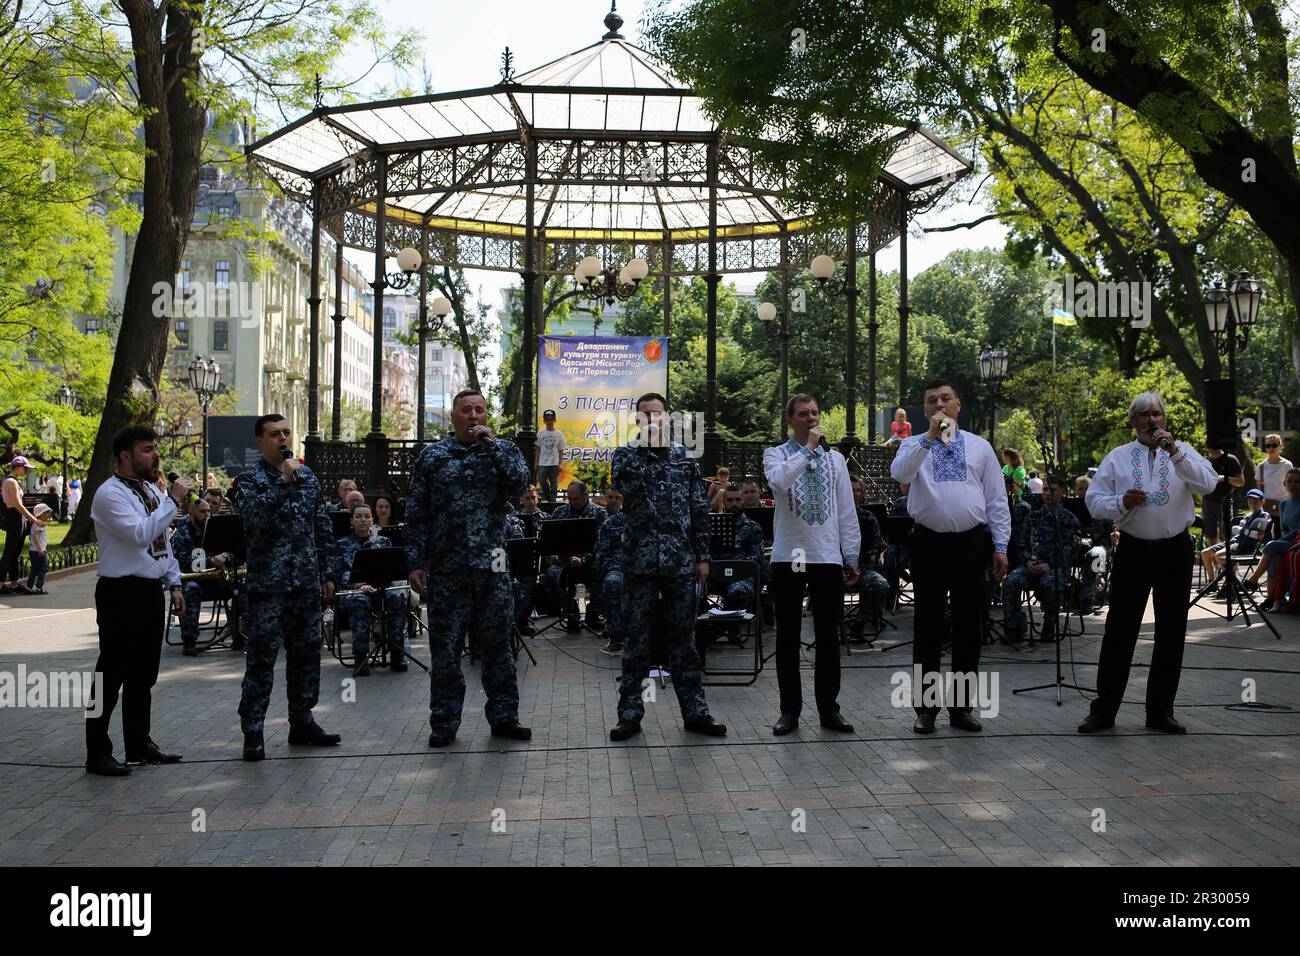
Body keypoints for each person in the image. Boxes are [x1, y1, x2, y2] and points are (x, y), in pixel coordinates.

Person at [1080, 391, 1218, 735]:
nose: (1151, 421)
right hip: (1134, 549)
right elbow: (1094, 502)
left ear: (1165, 419)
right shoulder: (1119, 457)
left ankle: (1160, 711)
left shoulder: (1182, 453)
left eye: (1157, 414)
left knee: (1171, 631)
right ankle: (1104, 710)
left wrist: (1175, 452)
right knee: (1120, 630)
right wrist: (1122, 502)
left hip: (1174, 549)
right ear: (1133, 421)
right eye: (1143, 415)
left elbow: (1209, 483)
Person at [407, 389, 532, 747]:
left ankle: (505, 716)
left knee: (497, 648)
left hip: (492, 570)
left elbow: (520, 485)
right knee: (446, 652)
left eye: (480, 410)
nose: (474, 416)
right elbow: (417, 514)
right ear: (454, 417)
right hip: (448, 572)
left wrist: (491, 448)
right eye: (467, 411)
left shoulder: (502, 450)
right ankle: (445, 722)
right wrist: (416, 562)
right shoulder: (433, 456)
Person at [891, 379, 1010, 735]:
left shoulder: (979, 446)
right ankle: (925, 710)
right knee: (926, 625)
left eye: (946, 399)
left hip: (970, 543)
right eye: (932, 401)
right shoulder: (912, 443)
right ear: (925, 410)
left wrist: (1001, 546)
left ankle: (961, 709)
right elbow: (900, 474)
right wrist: (928, 438)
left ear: (958, 404)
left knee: (968, 625)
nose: (940, 405)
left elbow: (996, 499)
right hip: (927, 544)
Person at [608, 391, 726, 741]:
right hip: (639, 563)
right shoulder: (625, 455)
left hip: (678, 562)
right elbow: (623, 486)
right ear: (637, 421)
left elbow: (698, 510)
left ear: (667, 417)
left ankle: (695, 712)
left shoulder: (685, 459)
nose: (651, 421)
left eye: (657, 415)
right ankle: (630, 715)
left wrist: (702, 556)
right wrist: (645, 450)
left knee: (684, 642)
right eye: (644, 416)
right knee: (637, 643)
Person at [233, 414, 342, 761]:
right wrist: (282, 481)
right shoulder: (247, 481)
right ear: (259, 442)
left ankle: (302, 721)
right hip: (269, 587)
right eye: (274, 434)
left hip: (305, 585)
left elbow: (321, 526)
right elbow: (254, 519)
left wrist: (328, 571)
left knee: (307, 656)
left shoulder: (307, 477)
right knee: (262, 661)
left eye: (286, 432)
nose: (282, 439)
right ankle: (253, 730)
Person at [85, 426, 191, 776]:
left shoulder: (149, 489)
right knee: (111, 672)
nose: (155, 455)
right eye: (147, 450)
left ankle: (139, 743)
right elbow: (139, 534)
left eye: (155, 448)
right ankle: (97, 750)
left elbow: (161, 541)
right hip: (120, 591)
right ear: (126, 455)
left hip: (148, 591)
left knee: (143, 674)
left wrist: (174, 581)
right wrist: (173, 502)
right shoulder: (108, 494)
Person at [764, 394, 860, 736]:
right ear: (790, 421)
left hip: (826, 557)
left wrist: (851, 554)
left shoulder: (835, 460)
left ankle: (828, 709)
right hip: (791, 555)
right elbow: (779, 482)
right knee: (787, 635)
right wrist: (806, 451)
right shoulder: (776, 454)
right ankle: (789, 711)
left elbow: (846, 511)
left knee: (828, 636)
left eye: (815, 413)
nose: (811, 418)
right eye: (803, 414)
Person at [1002, 474, 1079, 644]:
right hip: (1032, 566)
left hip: (1056, 568)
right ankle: (1013, 629)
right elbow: (1021, 545)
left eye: (1053, 490)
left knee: (1049, 583)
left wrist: (1050, 565)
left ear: (1063, 492)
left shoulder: (1069, 519)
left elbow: (1072, 550)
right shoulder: (1033, 517)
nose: (1048, 494)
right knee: (1011, 582)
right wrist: (1027, 561)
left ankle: (1049, 629)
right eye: (1045, 489)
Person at [333, 504, 408, 676]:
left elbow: (393, 568)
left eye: (367, 516)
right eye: (358, 516)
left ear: (372, 520)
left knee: (397, 597)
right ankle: (361, 655)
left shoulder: (383, 541)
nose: (363, 520)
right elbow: (338, 573)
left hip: (381, 588)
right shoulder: (342, 545)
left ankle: (397, 651)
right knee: (360, 601)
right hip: (353, 591)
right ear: (352, 521)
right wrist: (357, 584)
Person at [170, 497, 248, 656]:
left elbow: (235, 552)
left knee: (242, 587)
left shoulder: (215, 528)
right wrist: (211, 560)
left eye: (208, 511)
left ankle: (241, 634)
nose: (207, 514)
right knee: (191, 589)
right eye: (202, 511)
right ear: (191, 513)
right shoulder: (182, 533)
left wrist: (225, 556)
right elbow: (184, 562)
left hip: (214, 579)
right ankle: (189, 640)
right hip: (191, 579)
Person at [543, 478, 606, 631]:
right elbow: (548, 540)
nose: (572, 502)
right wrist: (552, 554)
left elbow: (602, 545)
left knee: (604, 576)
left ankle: (593, 613)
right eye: (569, 499)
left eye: (575, 499)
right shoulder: (560, 512)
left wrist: (584, 559)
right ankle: (571, 613)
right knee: (553, 574)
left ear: (586, 495)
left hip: (590, 562)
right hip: (564, 562)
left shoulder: (599, 513)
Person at [1243, 468, 1300, 608]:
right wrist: (1280, 542)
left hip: (1298, 542)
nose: (1293, 484)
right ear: (1284, 483)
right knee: (1274, 557)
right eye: (1290, 481)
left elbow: (1298, 530)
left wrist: (1279, 542)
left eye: (1297, 481)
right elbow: (1284, 529)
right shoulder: (1284, 504)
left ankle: (1253, 580)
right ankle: (1273, 600)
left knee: (1271, 546)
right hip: (1287, 542)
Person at [1201, 489, 1271, 590]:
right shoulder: (1248, 516)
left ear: (1262, 502)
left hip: (1246, 546)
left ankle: (1231, 581)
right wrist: (1240, 530)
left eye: (1256, 502)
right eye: (1250, 502)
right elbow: (1238, 530)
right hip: (1235, 542)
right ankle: (1212, 583)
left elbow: (1261, 535)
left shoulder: (1264, 516)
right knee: (1205, 553)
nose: (1252, 505)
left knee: (1219, 555)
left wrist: (1246, 532)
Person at [848, 477, 891, 642]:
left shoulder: (868, 517)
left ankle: (860, 623)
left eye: (858, 490)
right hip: (833, 568)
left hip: (862, 567)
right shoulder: (830, 517)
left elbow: (879, 544)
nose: (855, 494)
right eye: (851, 490)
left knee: (880, 584)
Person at [591, 487, 626, 655]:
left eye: (617, 497)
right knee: (611, 582)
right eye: (610, 497)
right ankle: (616, 638)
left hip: (645, 569)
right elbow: (602, 554)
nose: (613, 500)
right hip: (617, 569)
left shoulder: (646, 520)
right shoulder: (611, 523)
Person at [2, 456, 44, 595]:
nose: (26, 471)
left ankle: (14, 584)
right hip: (14, 519)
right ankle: (1, 584)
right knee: (9, 553)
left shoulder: (14, 481)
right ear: (17, 467)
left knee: (15, 554)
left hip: (18, 519)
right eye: (24, 468)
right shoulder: (10, 482)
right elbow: (17, 505)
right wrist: (33, 519)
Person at [1200, 445, 1244, 556]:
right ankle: (1215, 564)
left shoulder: (1230, 459)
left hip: (1224, 501)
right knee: (1210, 534)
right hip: (1207, 501)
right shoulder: (1205, 461)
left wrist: (1224, 478)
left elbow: (1241, 481)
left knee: (1227, 533)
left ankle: (1232, 564)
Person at [1255, 435, 1292, 524]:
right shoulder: (1261, 466)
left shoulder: (1287, 465)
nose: (1271, 448)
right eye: (1268, 446)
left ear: (1280, 446)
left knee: (1282, 533)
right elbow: (1259, 489)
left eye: (1274, 445)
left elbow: (1292, 485)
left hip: (1284, 504)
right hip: (1267, 506)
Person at [535, 409, 566, 503]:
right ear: (544, 420)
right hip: (542, 463)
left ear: (555, 420)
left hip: (554, 463)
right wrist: (536, 462)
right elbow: (538, 449)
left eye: (551, 419)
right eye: (547, 419)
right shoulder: (540, 433)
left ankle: (552, 502)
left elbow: (561, 450)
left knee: (554, 484)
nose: (549, 421)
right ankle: (550, 498)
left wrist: (560, 463)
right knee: (541, 480)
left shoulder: (559, 434)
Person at [25, 502, 52, 594]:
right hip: (38, 551)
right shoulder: (38, 525)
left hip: (33, 551)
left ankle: (29, 586)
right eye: (47, 513)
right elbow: (36, 537)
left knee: (34, 569)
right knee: (43, 568)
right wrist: (40, 549)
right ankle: (39, 587)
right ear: (40, 514)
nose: (49, 515)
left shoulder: (36, 524)